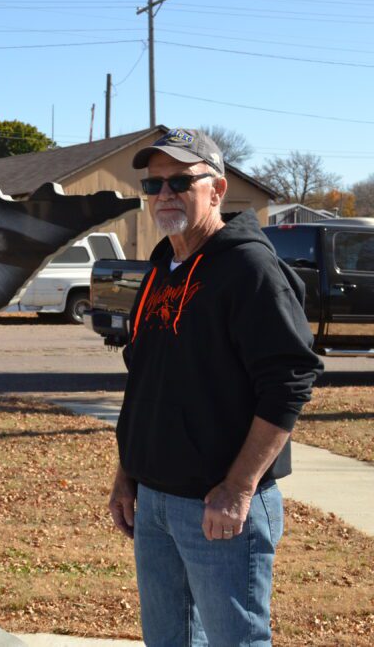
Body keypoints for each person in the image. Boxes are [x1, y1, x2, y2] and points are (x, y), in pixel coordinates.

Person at [108, 128, 322, 645]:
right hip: (154, 499)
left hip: (218, 508)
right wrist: (126, 470)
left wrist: (239, 487)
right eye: (153, 184)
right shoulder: (162, 267)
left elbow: (289, 381)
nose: (164, 194)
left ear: (217, 190)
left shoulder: (249, 267)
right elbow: (145, 377)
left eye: (180, 180)